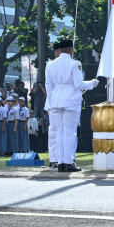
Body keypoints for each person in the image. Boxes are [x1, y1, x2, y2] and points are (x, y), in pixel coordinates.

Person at [45, 39, 99, 172]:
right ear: (71, 49)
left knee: (59, 132)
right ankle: (68, 162)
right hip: (70, 100)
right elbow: (79, 84)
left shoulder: (50, 65)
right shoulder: (75, 64)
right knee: (70, 132)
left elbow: (49, 86)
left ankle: (60, 162)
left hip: (56, 100)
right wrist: (92, 83)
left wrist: (51, 101)